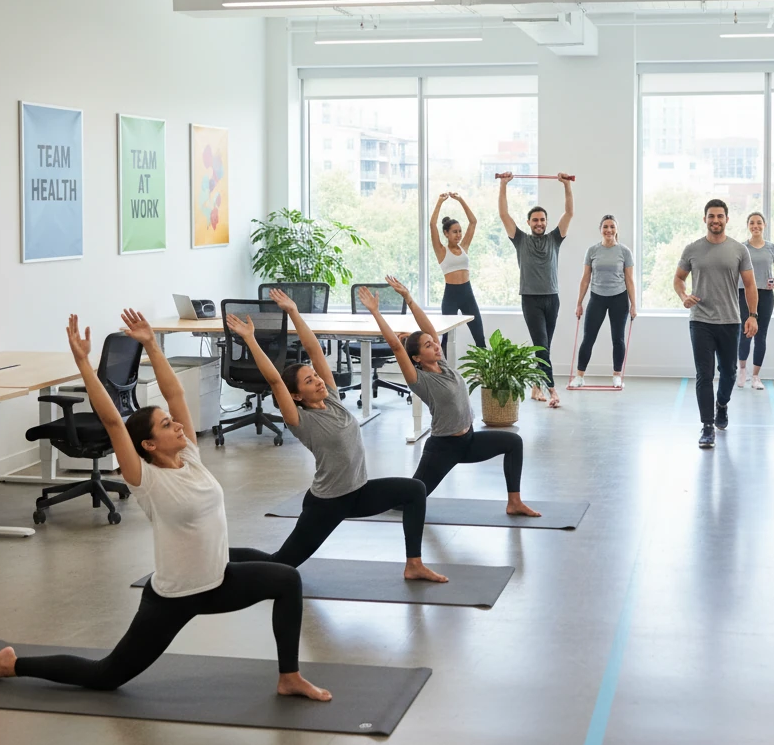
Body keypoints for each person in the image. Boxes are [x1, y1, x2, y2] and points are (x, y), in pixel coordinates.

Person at [0, 311, 330, 702]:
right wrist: (83, 364)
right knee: (106, 676)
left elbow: (174, 394)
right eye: (165, 426)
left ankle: (289, 676)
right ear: (149, 446)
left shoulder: (190, 455)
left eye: (173, 422)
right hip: (174, 597)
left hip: (219, 580)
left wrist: (152, 345)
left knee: (287, 580)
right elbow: (111, 420)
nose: (177, 425)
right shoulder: (146, 480)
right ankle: (13, 664)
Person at [225, 290, 447, 583]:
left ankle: (414, 564)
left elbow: (314, 350)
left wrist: (293, 311)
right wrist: (250, 339)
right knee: (281, 564)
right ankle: (217, 556)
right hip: (328, 502)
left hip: (359, 492)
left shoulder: (330, 397)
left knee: (415, 490)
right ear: (295, 395)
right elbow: (275, 379)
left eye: (315, 376)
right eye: (308, 381)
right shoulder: (299, 419)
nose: (317, 380)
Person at [359, 275, 541, 517]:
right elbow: (394, 345)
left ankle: (514, 502)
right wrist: (375, 312)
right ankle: (367, 499)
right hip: (444, 448)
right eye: (427, 346)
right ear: (416, 358)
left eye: (433, 343)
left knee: (513, 443)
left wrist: (409, 299)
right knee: (409, 499)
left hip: (469, 440)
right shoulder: (419, 380)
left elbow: (429, 331)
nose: (435, 345)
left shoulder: (442, 364)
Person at [674, 199, 759, 449]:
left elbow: (751, 284)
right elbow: (678, 279)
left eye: (720, 216)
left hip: (730, 321)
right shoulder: (692, 249)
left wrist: (752, 315)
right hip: (700, 320)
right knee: (704, 374)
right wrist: (683, 295)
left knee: (730, 372)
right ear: (705, 219)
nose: (715, 220)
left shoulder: (739, 250)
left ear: (727, 219)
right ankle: (707, 426)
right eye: (711, 216)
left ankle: (722, 404)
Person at [498, 171, 574, 408]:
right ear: (529, 223)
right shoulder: (520, 239)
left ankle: (535, 387)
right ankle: (552, 391)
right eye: (535, 220)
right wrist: (503, 185)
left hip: (553, 299)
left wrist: (566, 186)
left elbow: (569, 213)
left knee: (544, 347)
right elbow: (503, 214)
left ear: (546, 223)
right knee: (541, 344)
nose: (539, 223)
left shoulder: (555, 239)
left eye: (542, 220)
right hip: (531, 300)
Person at [574, 214, 637, 388]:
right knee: (588, 337)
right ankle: (579, 376)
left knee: (618, 338)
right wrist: (579, 303)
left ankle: (617, 375)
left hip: (619, 298)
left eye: (612, 227)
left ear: (616, 230)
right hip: (597, 297)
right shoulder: (592, 251)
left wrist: (633, 305)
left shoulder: (625, 252)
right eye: (605, 227)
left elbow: (630, 280)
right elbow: (585, 278)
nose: (609, 230)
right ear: (600, 229)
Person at [737, 212, 774, 391]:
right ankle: (742, 370)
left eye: (759, 223)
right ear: (748, 225)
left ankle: (756, 376)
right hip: (743, 293)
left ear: (764, 225)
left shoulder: (772, 248)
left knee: (761, 335)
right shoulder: (741, 248)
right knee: (744, 333)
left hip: (765, 295)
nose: (755, 226)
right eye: (752, 223)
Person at [430, 191, 485, 355]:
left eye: (460, 231)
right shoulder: (441, 250)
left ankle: (485, 376)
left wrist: (461, 199)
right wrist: (439, 202)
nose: (459, 235)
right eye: (455, 231)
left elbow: (473, 222)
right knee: (445, 339)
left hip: (467, 294)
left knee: (479, 338)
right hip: (451, 296)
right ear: (446, 233)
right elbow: (432, 225)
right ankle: (445, 375)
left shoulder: (464, 247)